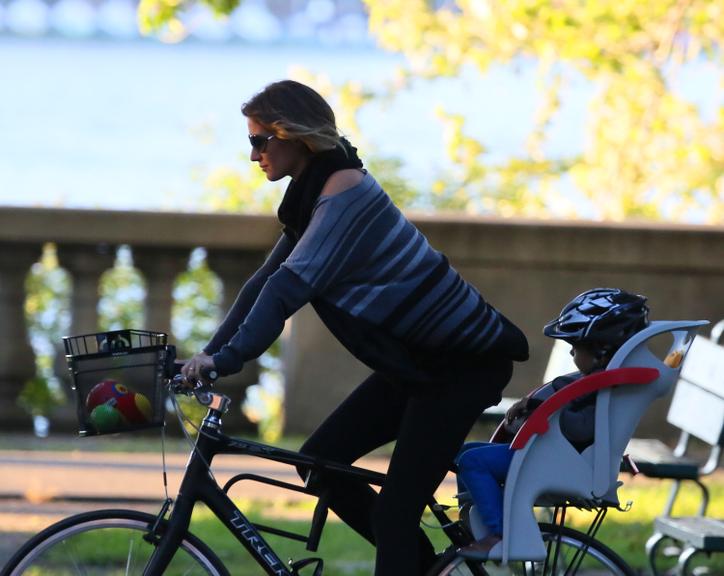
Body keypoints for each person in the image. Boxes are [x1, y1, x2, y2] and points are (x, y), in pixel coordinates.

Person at [181, 79, 529, 576]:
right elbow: (263, 282)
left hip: (460, 367)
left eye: (260, 141)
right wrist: (209, 355)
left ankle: (409, 561)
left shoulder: (345, 193)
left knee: (394, 513)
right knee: (320, 460)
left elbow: (286, 290)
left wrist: (227, 360)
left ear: (295, 135)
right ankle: (422, 567)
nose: (253, 154)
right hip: (415, 362)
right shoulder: (313, 194)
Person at [455, 287, 650, 560]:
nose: (571, 354)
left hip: (556, 460)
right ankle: (476, 525)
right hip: (552, 455)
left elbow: (579, 428)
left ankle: (500, 535)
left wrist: (539, 411)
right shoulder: (604, 382)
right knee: (465, 453)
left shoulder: (605, 389)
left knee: (473, 462)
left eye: (575, 347)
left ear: (601, 351)